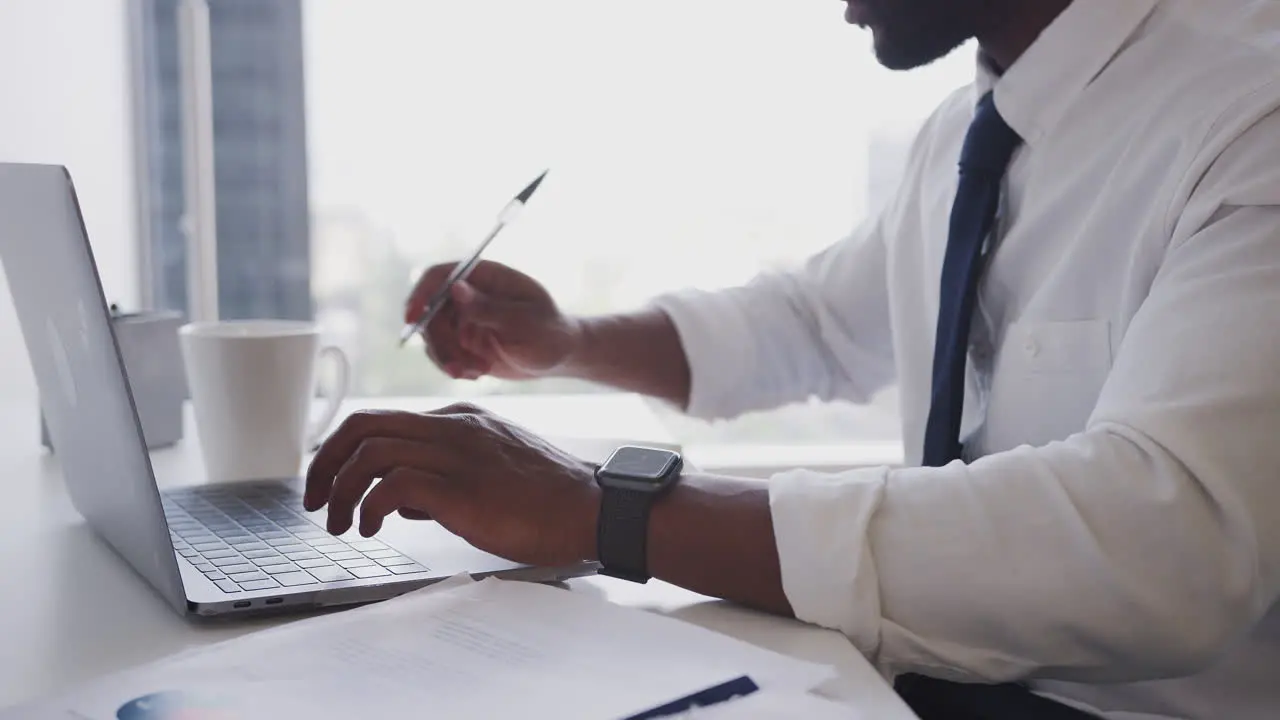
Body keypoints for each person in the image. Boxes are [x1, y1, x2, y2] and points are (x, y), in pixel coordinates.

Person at [303, 0, 1280, 717]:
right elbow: (813, 322)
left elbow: (1167, 541)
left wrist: (602, 508)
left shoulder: (1249, 111)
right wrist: (566, 344)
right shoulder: (964, 133)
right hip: (925, 686)